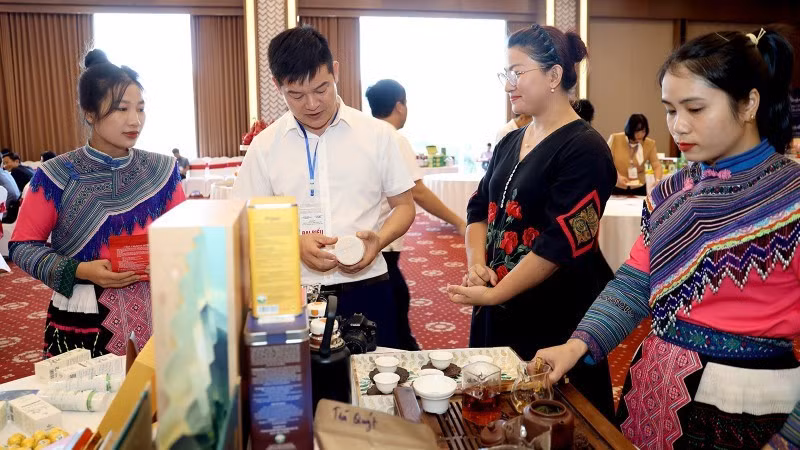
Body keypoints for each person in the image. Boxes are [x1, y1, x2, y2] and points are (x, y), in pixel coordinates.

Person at [534, 28, 800, 450]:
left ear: (749, 103)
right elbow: (635, 282)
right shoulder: (671, 191)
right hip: (654, 390)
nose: (678, 125)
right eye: (670, 110)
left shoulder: (791, 197)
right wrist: (577, 344)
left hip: (750, 406)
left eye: (694, 108)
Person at [447, 24, 617, 418]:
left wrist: (495, 294)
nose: (509, 84)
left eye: (517, 72)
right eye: (505, 73)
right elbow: (478, 208)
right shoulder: (512, 139)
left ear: (554, 76)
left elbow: (561, 243)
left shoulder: (585, 150)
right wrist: (478, 264)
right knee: (494, 416)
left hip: (553, 313)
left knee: (551, 420)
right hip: (498, 303)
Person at [232, 26, 415, 348]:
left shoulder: (377, 135)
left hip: (368, 282)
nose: (312, 104)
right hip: (293, 289)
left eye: (322, 89)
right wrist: (293, 243)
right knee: (302, 384)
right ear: (278, 85)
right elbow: (245, 219)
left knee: (373, 384)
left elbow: (404, 206)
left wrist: (380, 240)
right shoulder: (265, 146)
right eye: (296, 95)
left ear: (336, 72)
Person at [9, 49, 185, 358]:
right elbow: (22, 245)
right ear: (90, 113)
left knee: (162, 401)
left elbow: (187, 237)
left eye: (140, 109)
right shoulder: (56, 175)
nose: (135, 120)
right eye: (121, 109)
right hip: (84, 313)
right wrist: (81, 270)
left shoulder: (162, 171)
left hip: (160, 308)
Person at [365, 78, 467, 350]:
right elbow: (417, 192)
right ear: (400, 105)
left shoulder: (366, 134)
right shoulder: (393, 138)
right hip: (384, 241)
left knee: (393, 303)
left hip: (372, 238)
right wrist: (457, 220)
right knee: (394, 306)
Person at [607, 114, 663, 196]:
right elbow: (607, 161)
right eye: (637, 131)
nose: (640, 135)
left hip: (639, 187)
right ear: (630, 129)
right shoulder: (615, 138)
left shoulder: (649, 143)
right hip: (617, 186)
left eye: (643, 131)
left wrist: (658, 180)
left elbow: (656, 165)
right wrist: (617, 177)